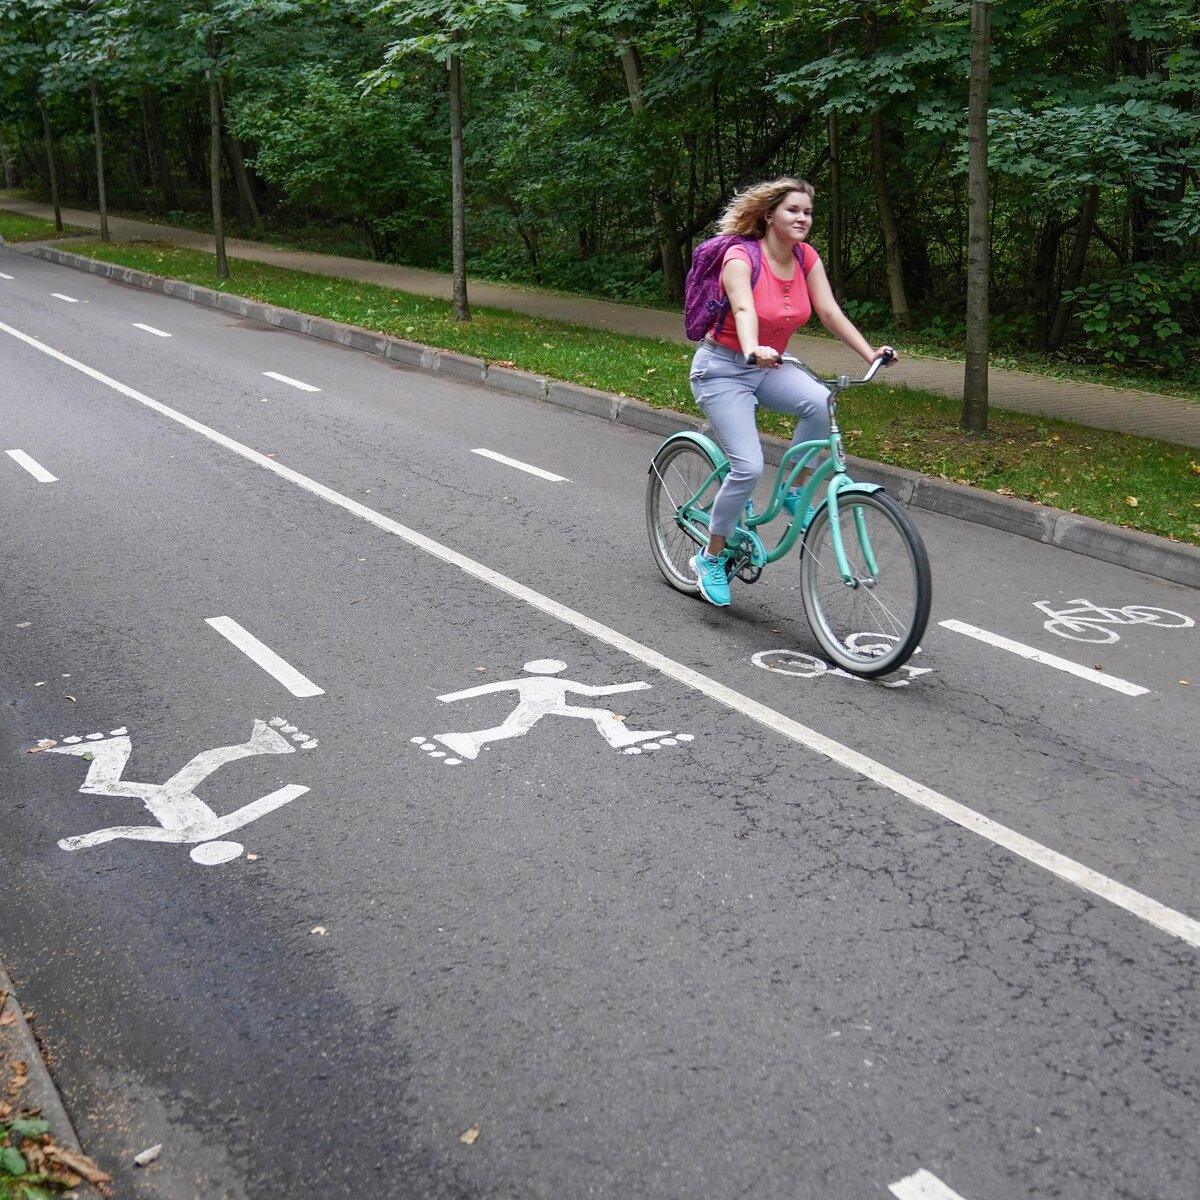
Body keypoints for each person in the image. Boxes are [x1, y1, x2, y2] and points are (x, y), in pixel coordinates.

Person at [688, 177, 897, 607]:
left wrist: (868, 353)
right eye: (793, 211)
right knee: (747, 468)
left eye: (808, 212)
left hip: (772, 366)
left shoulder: (805, 258)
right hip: (724, 368)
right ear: (769, 216)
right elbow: (744, 308)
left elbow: (828, 311)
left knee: (821, 401)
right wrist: (751, 348)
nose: (803, 218)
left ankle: (794, 493)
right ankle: (709, 557)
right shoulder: (740, 258)